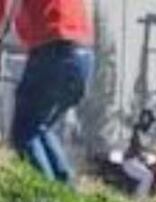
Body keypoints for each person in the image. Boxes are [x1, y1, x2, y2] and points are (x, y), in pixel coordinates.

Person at [2, 0, 94, 185]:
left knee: (24, 133)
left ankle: (48, 199)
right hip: (83, 57)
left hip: (53, 51)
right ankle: (66, 195)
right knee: (38, 128)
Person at [122, 109, 156, 199]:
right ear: (144, 120)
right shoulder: (137, 130)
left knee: (150, 170)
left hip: (135, 161)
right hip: (129, 162)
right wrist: (154, 151)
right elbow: (141, 146)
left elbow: (141, 150)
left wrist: (144, 156)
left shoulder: (141, 132)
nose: (150, 125)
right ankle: (138, 199)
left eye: (151, 122)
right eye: (150, 121)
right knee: (148, 176)